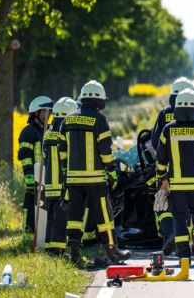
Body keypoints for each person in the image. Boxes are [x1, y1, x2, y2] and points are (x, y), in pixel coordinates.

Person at [61, 80, 130, 266]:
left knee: (75, 216)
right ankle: (112, 250)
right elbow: (106, 152)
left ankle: (74, 253)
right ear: (98, 101)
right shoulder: (100, 120)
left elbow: (62, 151)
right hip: (95, 180)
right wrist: (112, 172)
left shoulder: (67, 119)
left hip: (73, 179)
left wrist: (66, 173)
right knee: (105, 216)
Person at [155, 89, 194, 270]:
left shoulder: (168, 129)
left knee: (180, 218)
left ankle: (183, 257)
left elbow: (161, 158)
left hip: (177, 185)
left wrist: (161, 179)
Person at [149, 77, 193, 254]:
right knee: (188, 208)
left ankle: (170, 235)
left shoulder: (164, 114)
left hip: (168, 170)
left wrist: (161, 171)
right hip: (193, 171)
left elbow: (155, 141)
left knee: (163, 204)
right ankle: (192, 246)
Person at [42, 97, 77, 255]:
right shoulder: (65, 133)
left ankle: (50, 247)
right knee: (61, 219)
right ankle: (57, 250)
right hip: (62, 183)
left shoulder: (48, 133)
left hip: (49, 183)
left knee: (51, 217)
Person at [18, 96, 54, 232]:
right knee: (31, 208)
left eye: (50, 111)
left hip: (49, 177)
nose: (49, 114)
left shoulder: (50, 130)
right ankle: (28, 237)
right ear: (36, 113)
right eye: (46, 111)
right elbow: (25, 156)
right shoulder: (28, 133)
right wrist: (30, 179)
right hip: (35, 178)